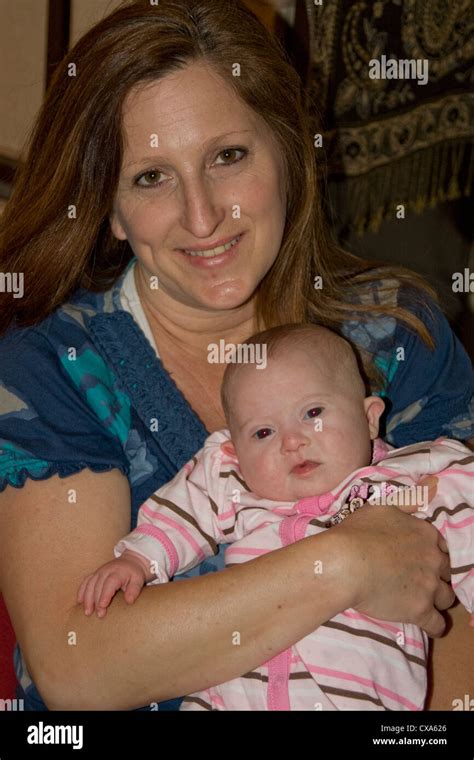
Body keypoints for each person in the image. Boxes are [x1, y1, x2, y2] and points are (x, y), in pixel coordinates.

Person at [0, 0, 472, 712]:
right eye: (151, 177)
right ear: (110, 210)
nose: (203, 215)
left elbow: (460, 636)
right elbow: (79, 666)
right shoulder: (51, 365)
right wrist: (344, 562)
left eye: (228, 156)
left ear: (284, 150)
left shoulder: (398, 337)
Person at [77, 323, 474, 710]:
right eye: (263, 433)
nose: (291, 441)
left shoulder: (410, 476)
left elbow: (464, 516)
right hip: (231, 691)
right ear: (236, 450)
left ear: (370, 417)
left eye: (312, 412)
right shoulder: (235, 484)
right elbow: (184, 509)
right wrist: (139, 558)